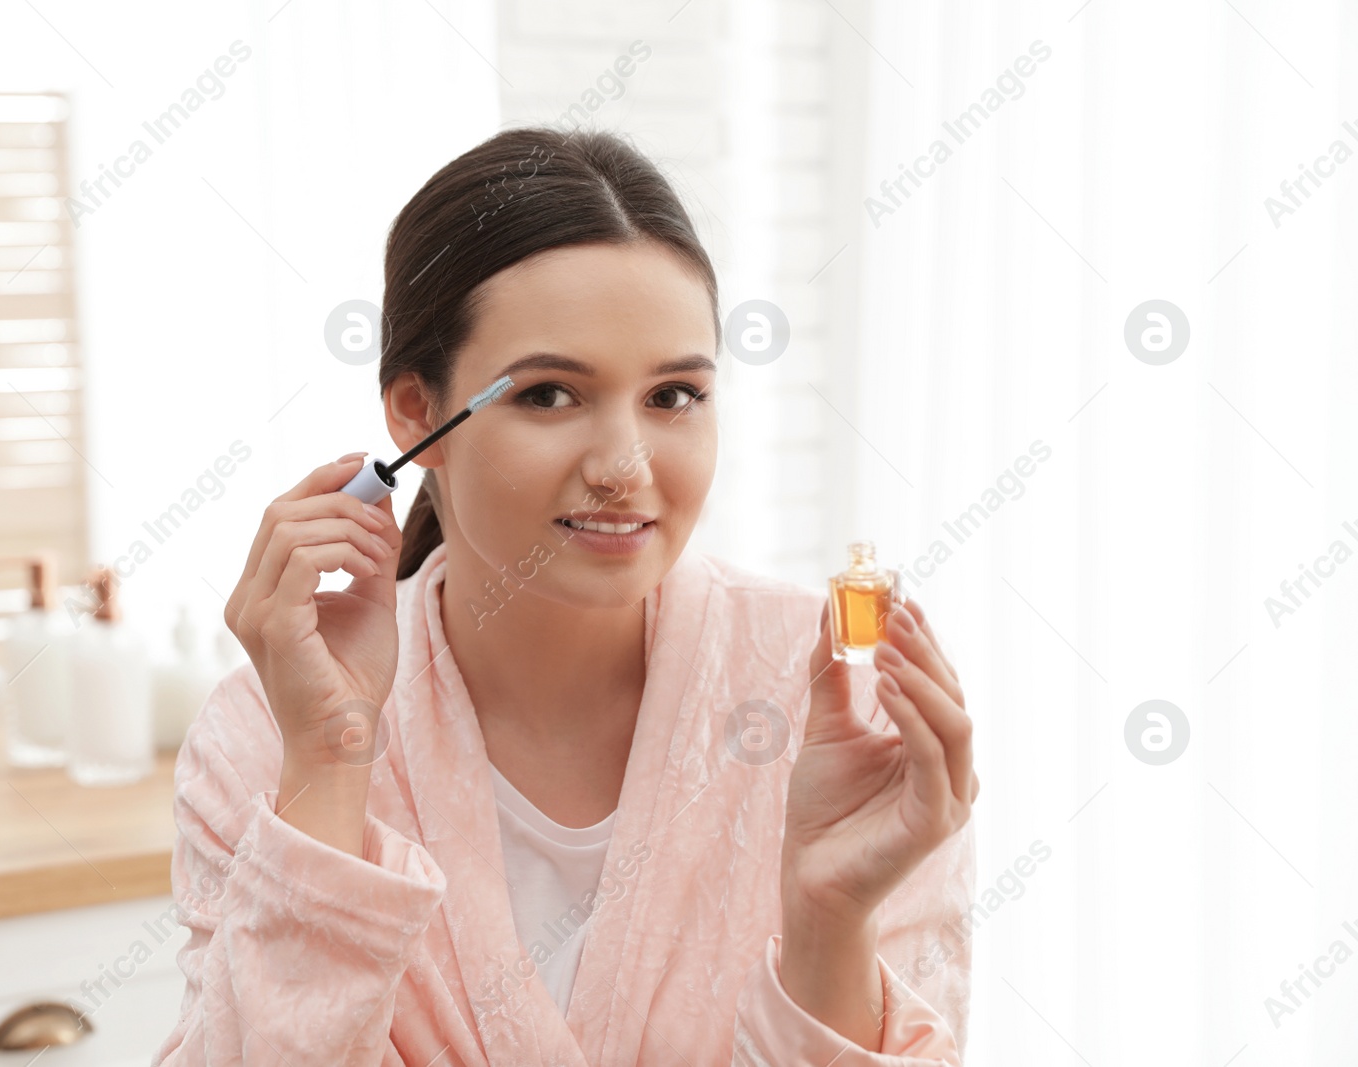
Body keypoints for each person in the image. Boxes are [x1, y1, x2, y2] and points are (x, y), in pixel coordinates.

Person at [152, 126, 977, 1066]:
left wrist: (831, 921)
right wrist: (332, 767)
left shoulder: (839, 707)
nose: (625, 467)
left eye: (673, 397)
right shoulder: (267, 740)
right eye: (549, 395)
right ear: (418, 414)